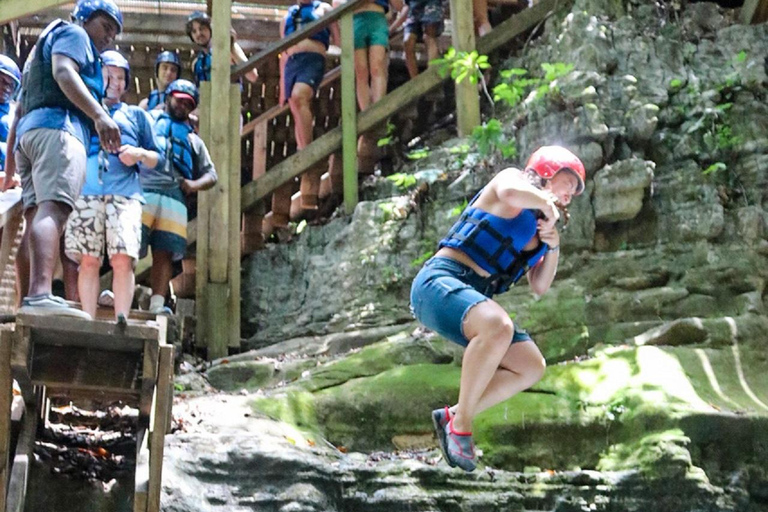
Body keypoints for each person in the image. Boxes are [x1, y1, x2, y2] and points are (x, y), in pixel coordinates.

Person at [409, 145, 586, 472]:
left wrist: (553, 245)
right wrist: (546, 202)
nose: (571, 193)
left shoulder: (541, 229)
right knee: (498, 326)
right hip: (437, 283)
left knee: (530, 365)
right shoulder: (511, 181)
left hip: (469, 300)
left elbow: (540, 286)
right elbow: (509, 192)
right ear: (548, 170)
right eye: (569, 182)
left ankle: (454, 416)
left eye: (575, 190)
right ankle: (461, 427)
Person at [12, 0, 123, 319]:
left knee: (35, 214)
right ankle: (40, 294)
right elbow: (64, 72)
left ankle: (31, 299)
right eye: (106, 27)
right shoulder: (75, 35)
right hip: (59, 131)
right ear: (84, 17)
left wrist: (9, 168)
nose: (109, 37)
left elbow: (20, 109)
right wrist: (100, 116)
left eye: (114, 33)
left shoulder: (42, 47)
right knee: (54, 210)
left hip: (30, 134)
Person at [64, 51, 164, 323]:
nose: (115, 82)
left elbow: (159, 158)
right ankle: (87, 319)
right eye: (109, 75)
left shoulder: (137, 115)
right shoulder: (81, 109)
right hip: (85, 191)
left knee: (123, 257)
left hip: (125, 194)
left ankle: (121, 319)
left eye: (121, 77)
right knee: (88, 259)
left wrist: (139, 154)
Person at [139, 79, 217, 314]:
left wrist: (193, 185)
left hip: (175, 196)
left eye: (188, 104)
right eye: (179, 100)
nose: (182, 106)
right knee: (129, 245)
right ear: (168, 98)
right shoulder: (148, 121)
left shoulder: (193, 139)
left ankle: (157, 304)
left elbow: (211, 175)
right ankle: (118, 293)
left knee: (164, 251)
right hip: (143, 190)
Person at [271, 0, 340, 232]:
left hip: (313, 59)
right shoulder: (287, 16)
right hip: (292, 63)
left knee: (300, 96)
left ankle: (306, 150)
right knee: (294, 101)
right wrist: (282, 87)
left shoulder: (324, 8)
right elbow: (283, 53)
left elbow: (339, 38)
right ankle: (304, 149)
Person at [186, 11, 258, 87]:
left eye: (202, 28)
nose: (198, 33)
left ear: (210, 29)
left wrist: (232, 49)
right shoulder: (196, 63)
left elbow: (253, 77)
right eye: (194, 31)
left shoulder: (229, 48)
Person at [391, 0, 443, 78]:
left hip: (431, 5)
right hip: (413, 11)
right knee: (407, 41)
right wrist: (392, 28)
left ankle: (431, 74)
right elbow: (406, 7)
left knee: (429, 36)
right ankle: (414, 79)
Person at [0, 55, 21, 177]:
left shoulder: (15, 113)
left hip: (10, 177)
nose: (6, 88)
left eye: (11, 85)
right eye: (2, 81)